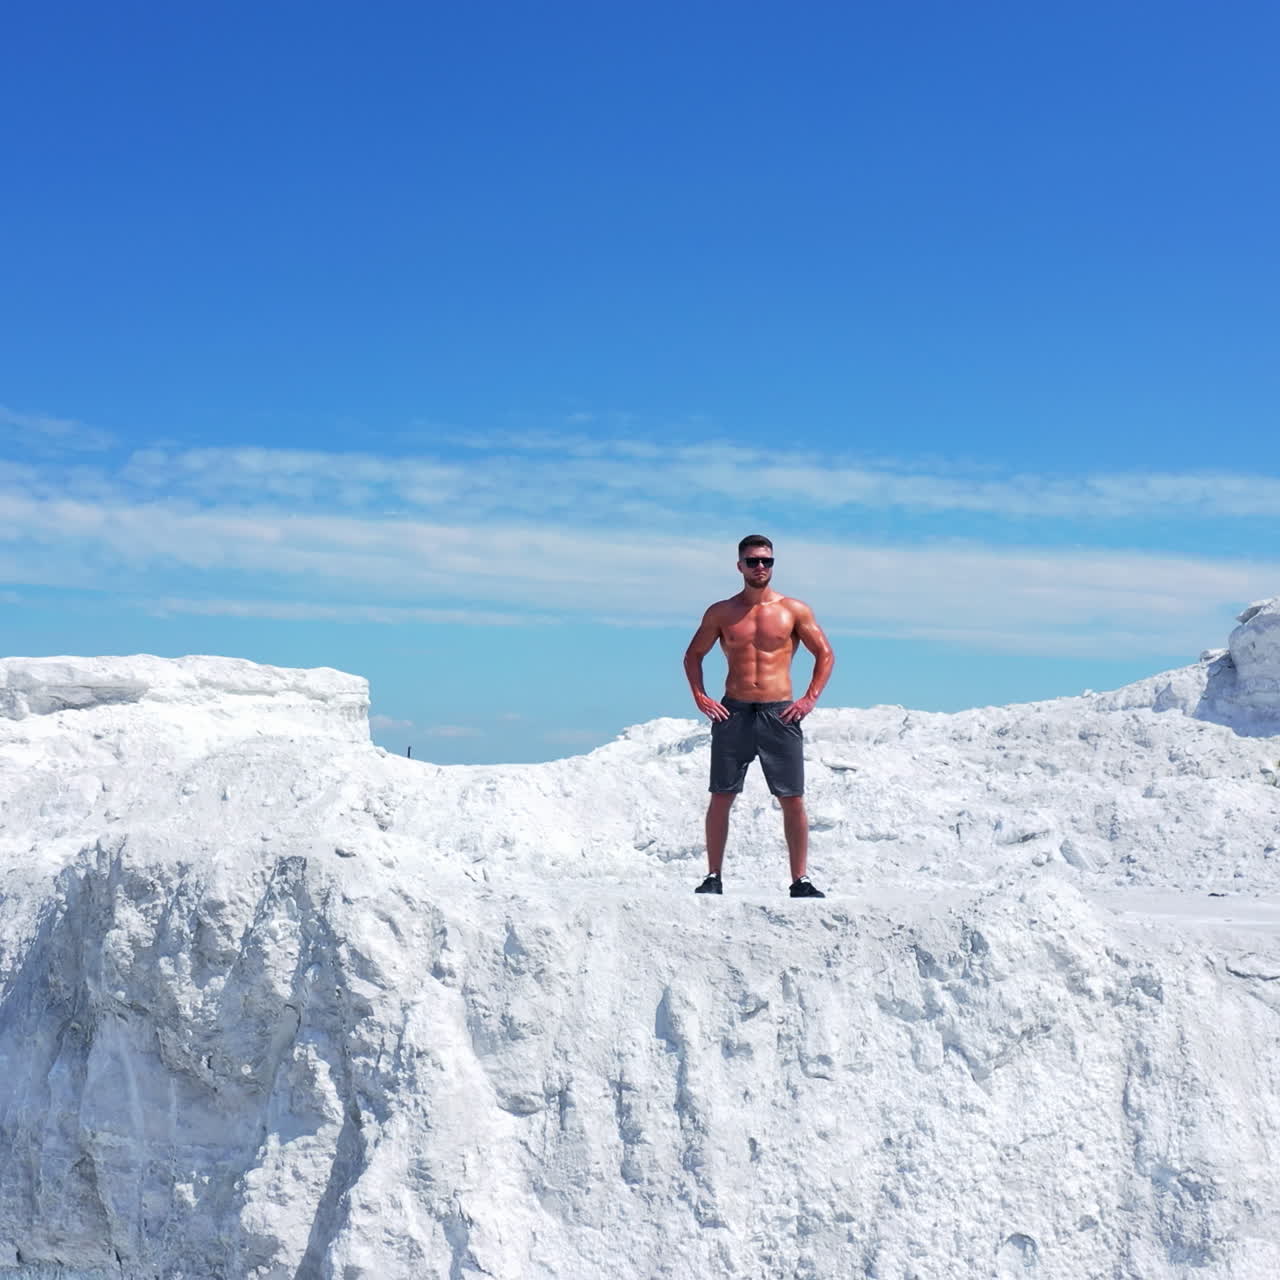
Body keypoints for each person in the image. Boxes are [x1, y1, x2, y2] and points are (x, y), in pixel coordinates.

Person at [683, 534, 835, 897]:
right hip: (733, 712)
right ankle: (713, 877)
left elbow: (825, 654)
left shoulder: (793, 610)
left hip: (779, 712)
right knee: (722, 794)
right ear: (740, 566)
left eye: (766, 561)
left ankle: (800, 880)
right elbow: (693, 655)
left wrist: (809, 699)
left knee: (792, 797)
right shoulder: (721, 612)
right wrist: (701, 697)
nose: (760, 567)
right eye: (753, 561)